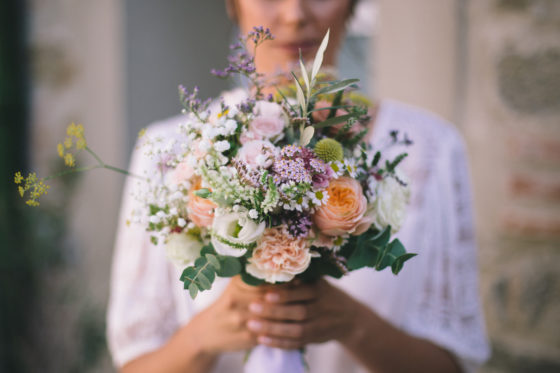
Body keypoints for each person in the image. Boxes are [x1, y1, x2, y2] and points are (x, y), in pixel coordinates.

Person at [107, 0, 490, 372]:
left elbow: (453, 362)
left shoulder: (430, 147)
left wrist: (352, 325)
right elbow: (136, 362)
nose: (295, 15)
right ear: (233, 3)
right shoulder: (171, 151)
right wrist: (202, 337)